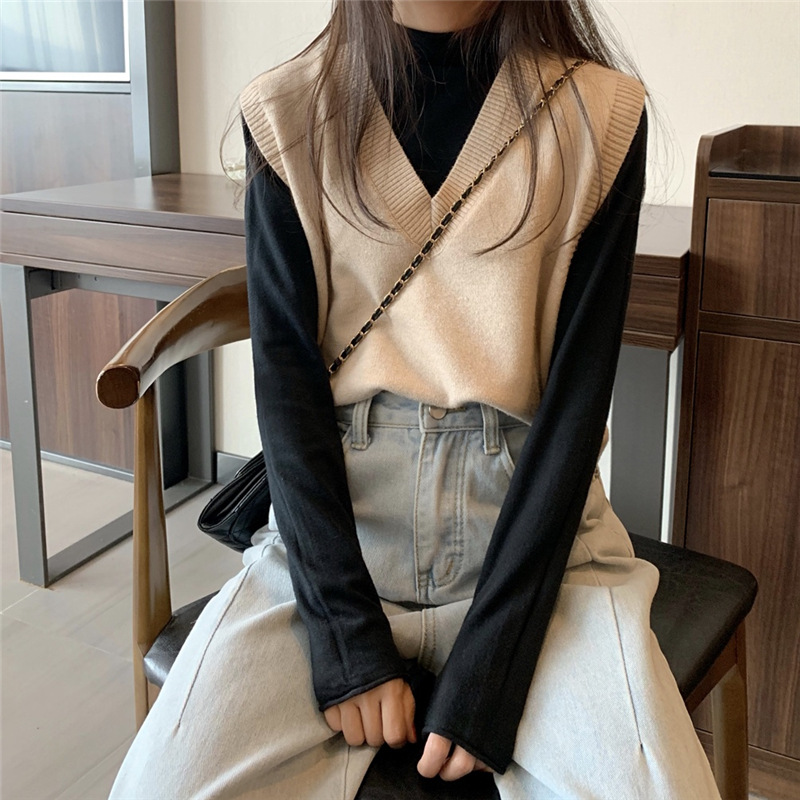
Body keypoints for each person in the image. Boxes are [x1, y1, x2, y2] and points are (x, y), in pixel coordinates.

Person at [108, 1, 723, 798]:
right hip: (333, 535)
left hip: (537, 544)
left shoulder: (599, 115)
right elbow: (286, 391)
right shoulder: (288, 111)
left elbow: (576, 409)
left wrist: (495, 665)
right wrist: (344, 634)